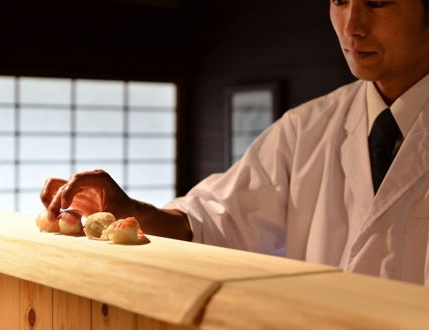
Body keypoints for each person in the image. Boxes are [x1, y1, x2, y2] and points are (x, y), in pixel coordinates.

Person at [41, 0, 429, 285]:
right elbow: (216, 220)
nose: (351, 26)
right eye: (340, 1)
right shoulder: (306, 128)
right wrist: (127, 209)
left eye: (377, 2)